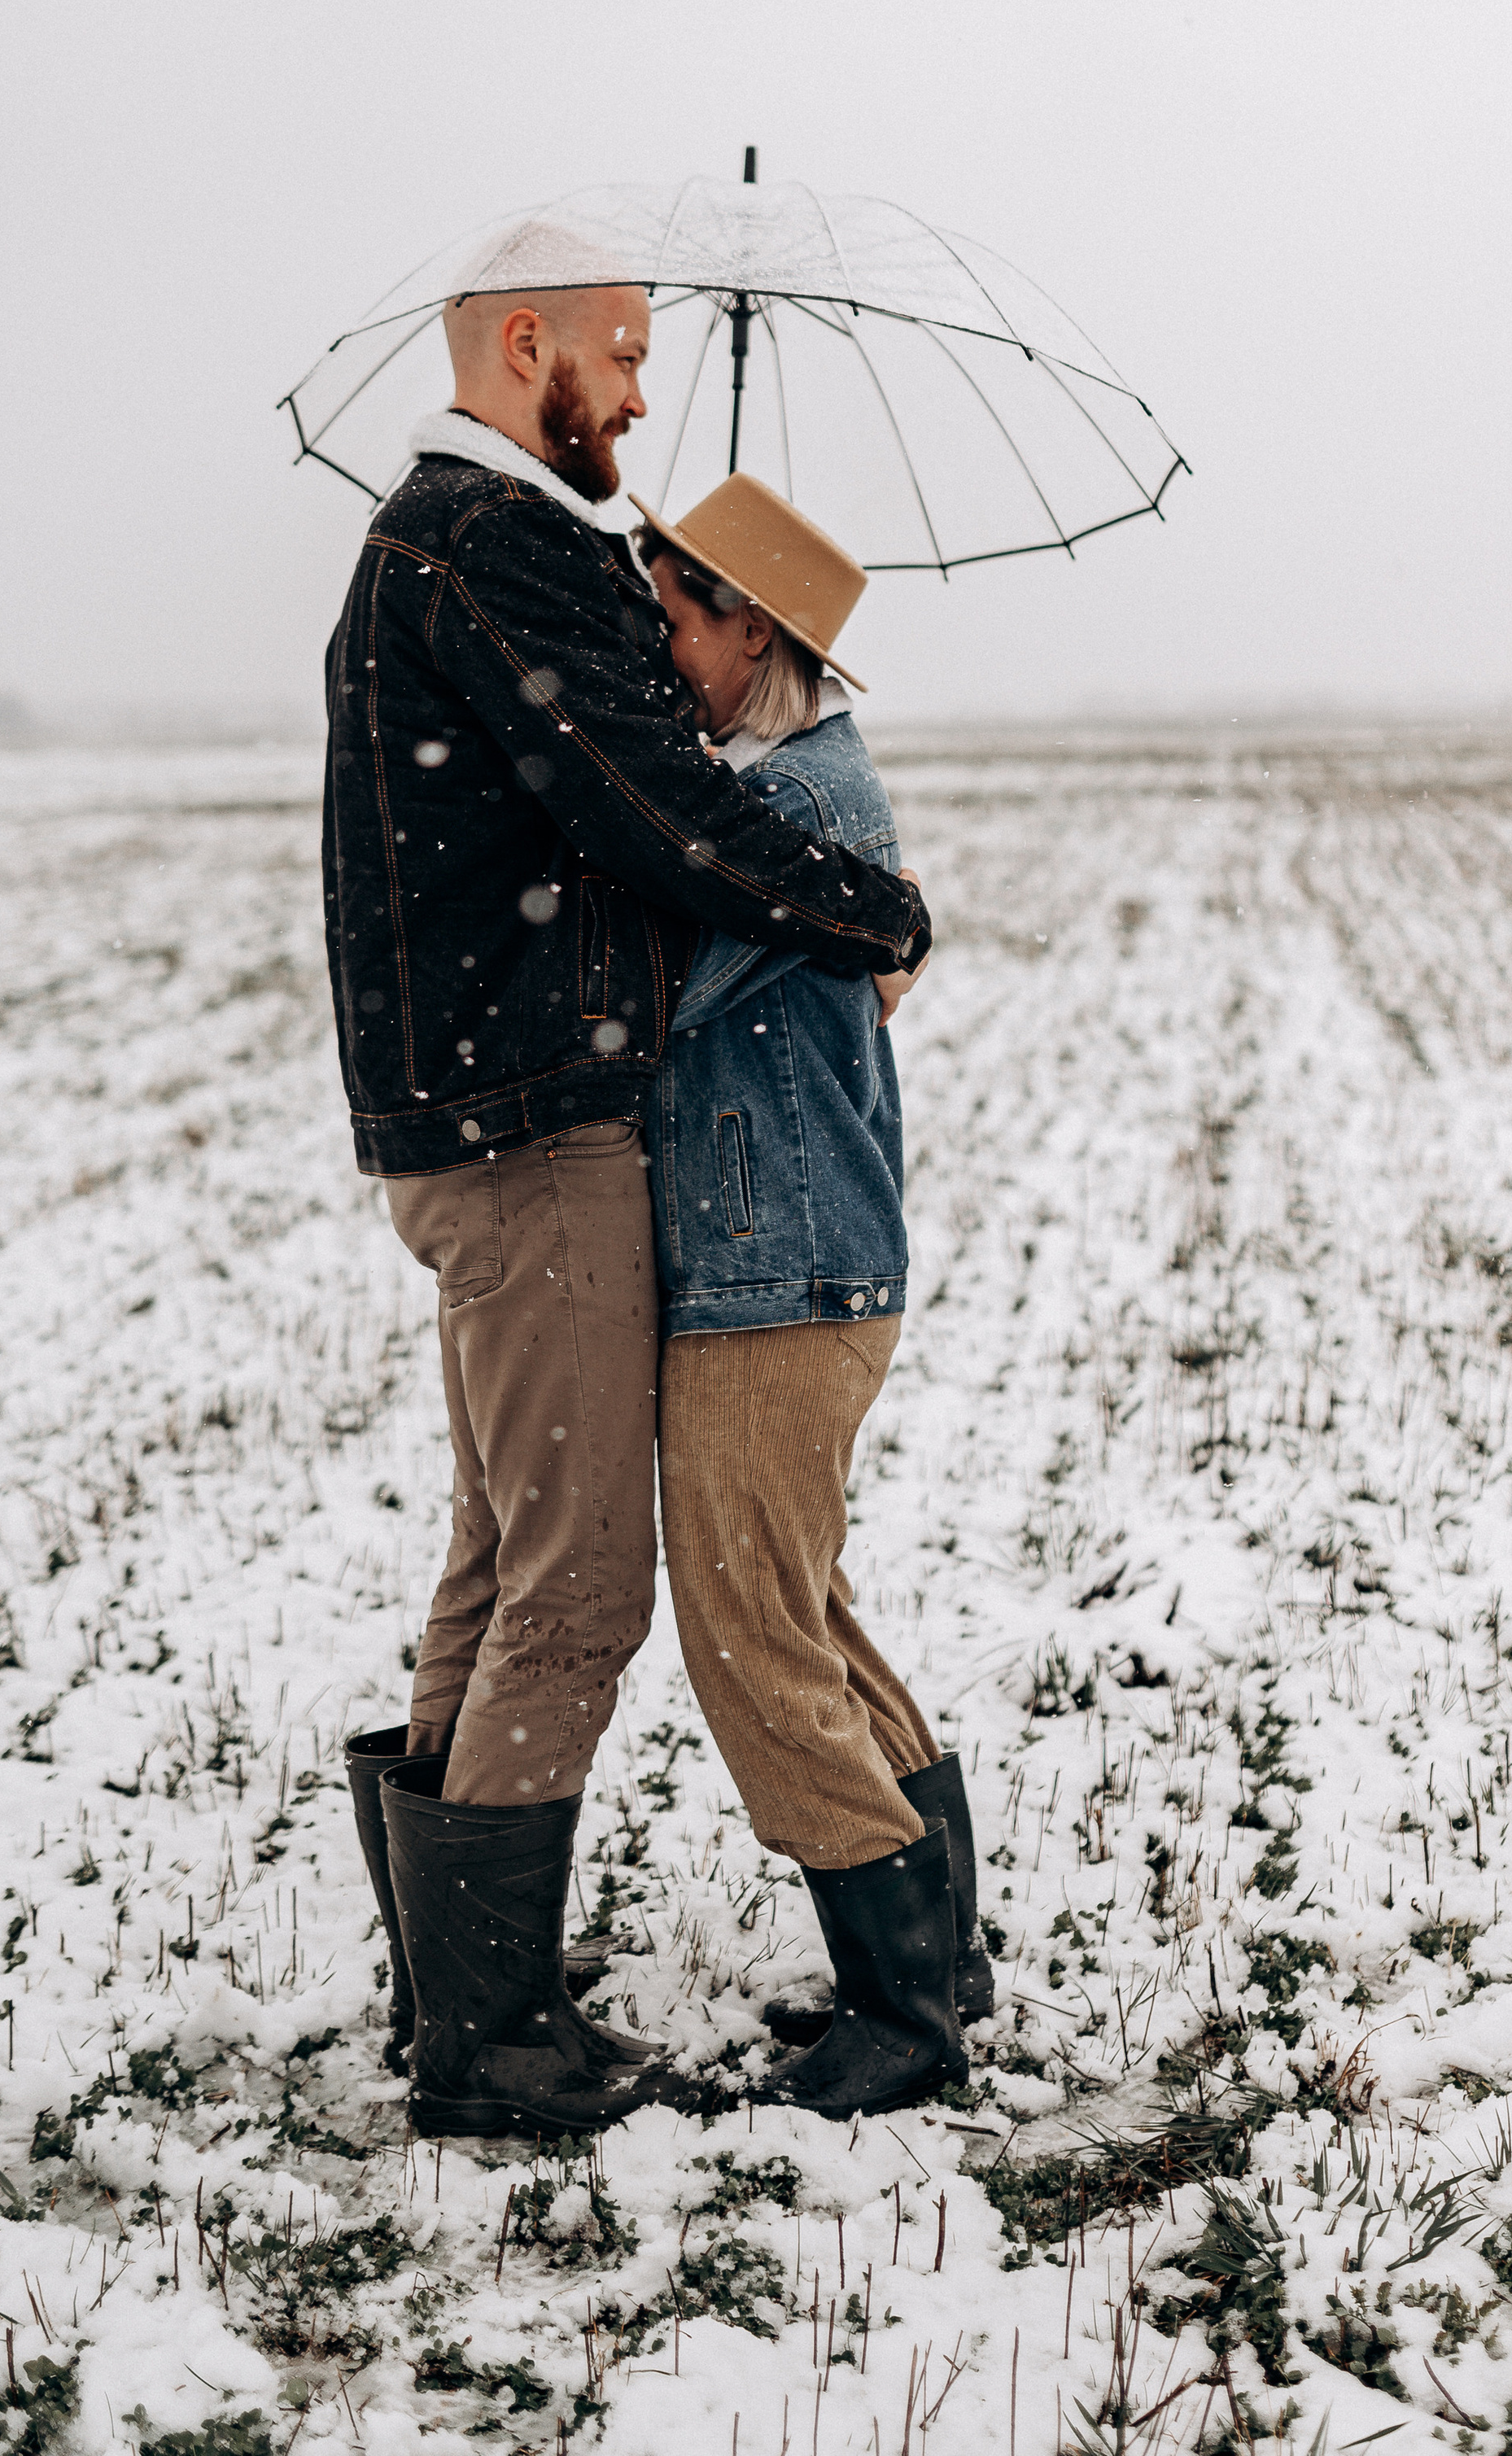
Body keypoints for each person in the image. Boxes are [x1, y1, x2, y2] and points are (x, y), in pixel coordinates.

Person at [323, 231, 932, 2140]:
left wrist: (833, 894)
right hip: (527, 1138)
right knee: (572, 1577)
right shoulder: (489, 544)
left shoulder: (449, 548)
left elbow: (648, 819)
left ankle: (474, 2000)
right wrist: (874, 912)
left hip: (532, 1143)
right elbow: (651, 813)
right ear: (531, 346)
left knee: (533, 1561)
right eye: (623, 354)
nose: (645, 394)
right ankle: (488, 2030)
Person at [633, 472, 994, 2118]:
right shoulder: (797, 785)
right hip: (798, 1260)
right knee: (802, 1607)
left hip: (774, 1270)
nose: (658, 647)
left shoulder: (792, 804)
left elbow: (652, 991)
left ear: (752, 629)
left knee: (748, 1629)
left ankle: (902, 2016)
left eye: (674, 614)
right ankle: (936, 1952)